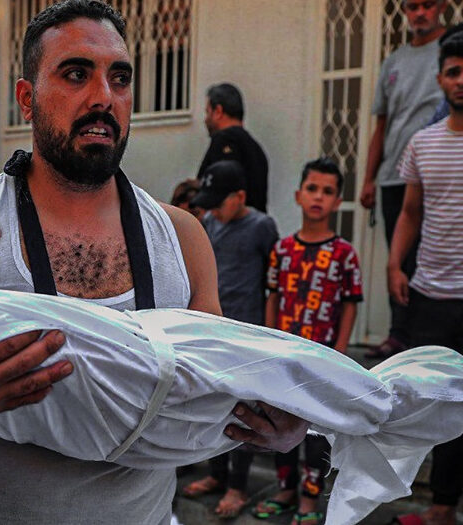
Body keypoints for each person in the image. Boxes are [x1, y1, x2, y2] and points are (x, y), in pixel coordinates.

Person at [0, 2, 308, 523]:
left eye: (118, 78)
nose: (103, 97)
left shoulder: (184, 240)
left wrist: (273, 428)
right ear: (26, 99)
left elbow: (208, 405)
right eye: (76, 74)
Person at [259, 158, 363, 525]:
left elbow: (350, 304)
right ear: (298, 196)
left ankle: (309, 499)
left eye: (328, 191)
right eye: (313, 189)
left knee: (318, 431)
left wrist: (341, 352)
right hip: (284, 355)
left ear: (337, 202)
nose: (319, 197)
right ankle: (286, 489)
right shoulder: (282, 250)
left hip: (323, 358)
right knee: (280, 421)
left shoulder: (345, 254)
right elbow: (272, 295)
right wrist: (270, 341)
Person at [388, 33, 463, 525]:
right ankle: (436, 500)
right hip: (431, 295)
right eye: (454, 71)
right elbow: (410, 212)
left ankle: (445, 502)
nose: (462, 81)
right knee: (432, 404)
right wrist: (396, 265)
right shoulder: (422, 143)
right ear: (441, 79)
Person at [181, 160, 279, 518]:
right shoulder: (209, 224)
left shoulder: (262, 227)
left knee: (244, 412)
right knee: (213, 408)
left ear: (240, 196)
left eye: (220, 202)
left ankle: (238, 487)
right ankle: (216, 476)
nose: (213, 210)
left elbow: (273, 280)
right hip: (214, 332)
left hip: (247, 333)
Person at [359, 0, 446, 359]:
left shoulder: (451, 51)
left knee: (432, 253)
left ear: (440, 7)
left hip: (437, 171)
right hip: (395, 173)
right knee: (399, 255)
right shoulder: (394, 61)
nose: (419, 13)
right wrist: (368, 177)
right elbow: (382, 124)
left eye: (427, 5)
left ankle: (429, 339)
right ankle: (399, 335)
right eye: (412, 7)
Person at [197, 83, 268, 212]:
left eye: (207, 112)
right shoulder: (255, 148)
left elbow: (217, 189)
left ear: (218, 111)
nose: (205, 119)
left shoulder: (224, 140)